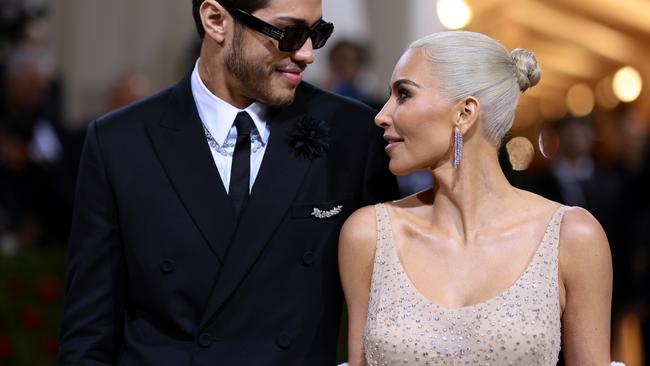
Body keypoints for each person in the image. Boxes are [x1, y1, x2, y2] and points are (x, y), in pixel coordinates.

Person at [58, 0, 397, 365]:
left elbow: (391, 318)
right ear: (216, 20)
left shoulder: (351, 135)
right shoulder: (119, 143)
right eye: (290, 33)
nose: (307, 54)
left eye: (316, 33)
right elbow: (88, 335)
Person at [339, 31, 613, 365]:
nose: (381, 115)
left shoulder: (572, 237)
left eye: (404, 94)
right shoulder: (368, 234)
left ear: (465, 113)